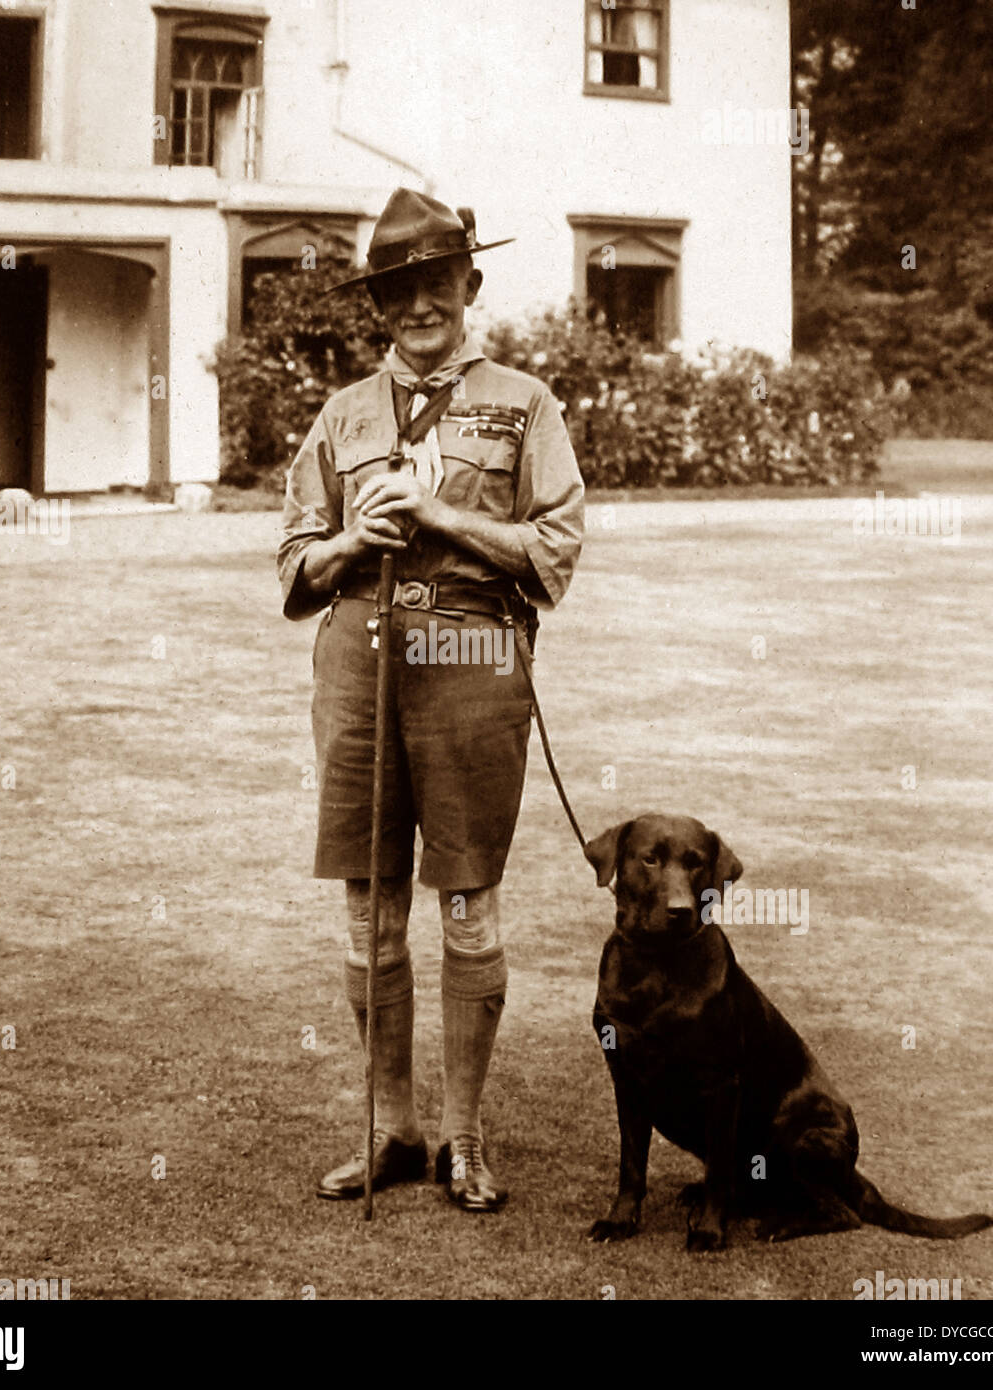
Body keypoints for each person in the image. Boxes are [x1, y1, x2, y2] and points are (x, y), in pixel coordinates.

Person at [277, 188, 584, 1212]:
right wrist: (351, 543)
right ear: (381, 303)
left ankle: (464, 1139)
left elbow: (554, 547)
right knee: (369, 910)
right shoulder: (341, 415)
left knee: (466, 901)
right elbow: (291, 564)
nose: (421, 303)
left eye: (438, 281)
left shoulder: (527, 402)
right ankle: (390, 1129)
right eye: (400, 286)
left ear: (471, 286)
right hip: (357, 667)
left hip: (473, 664)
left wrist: (440, 517)